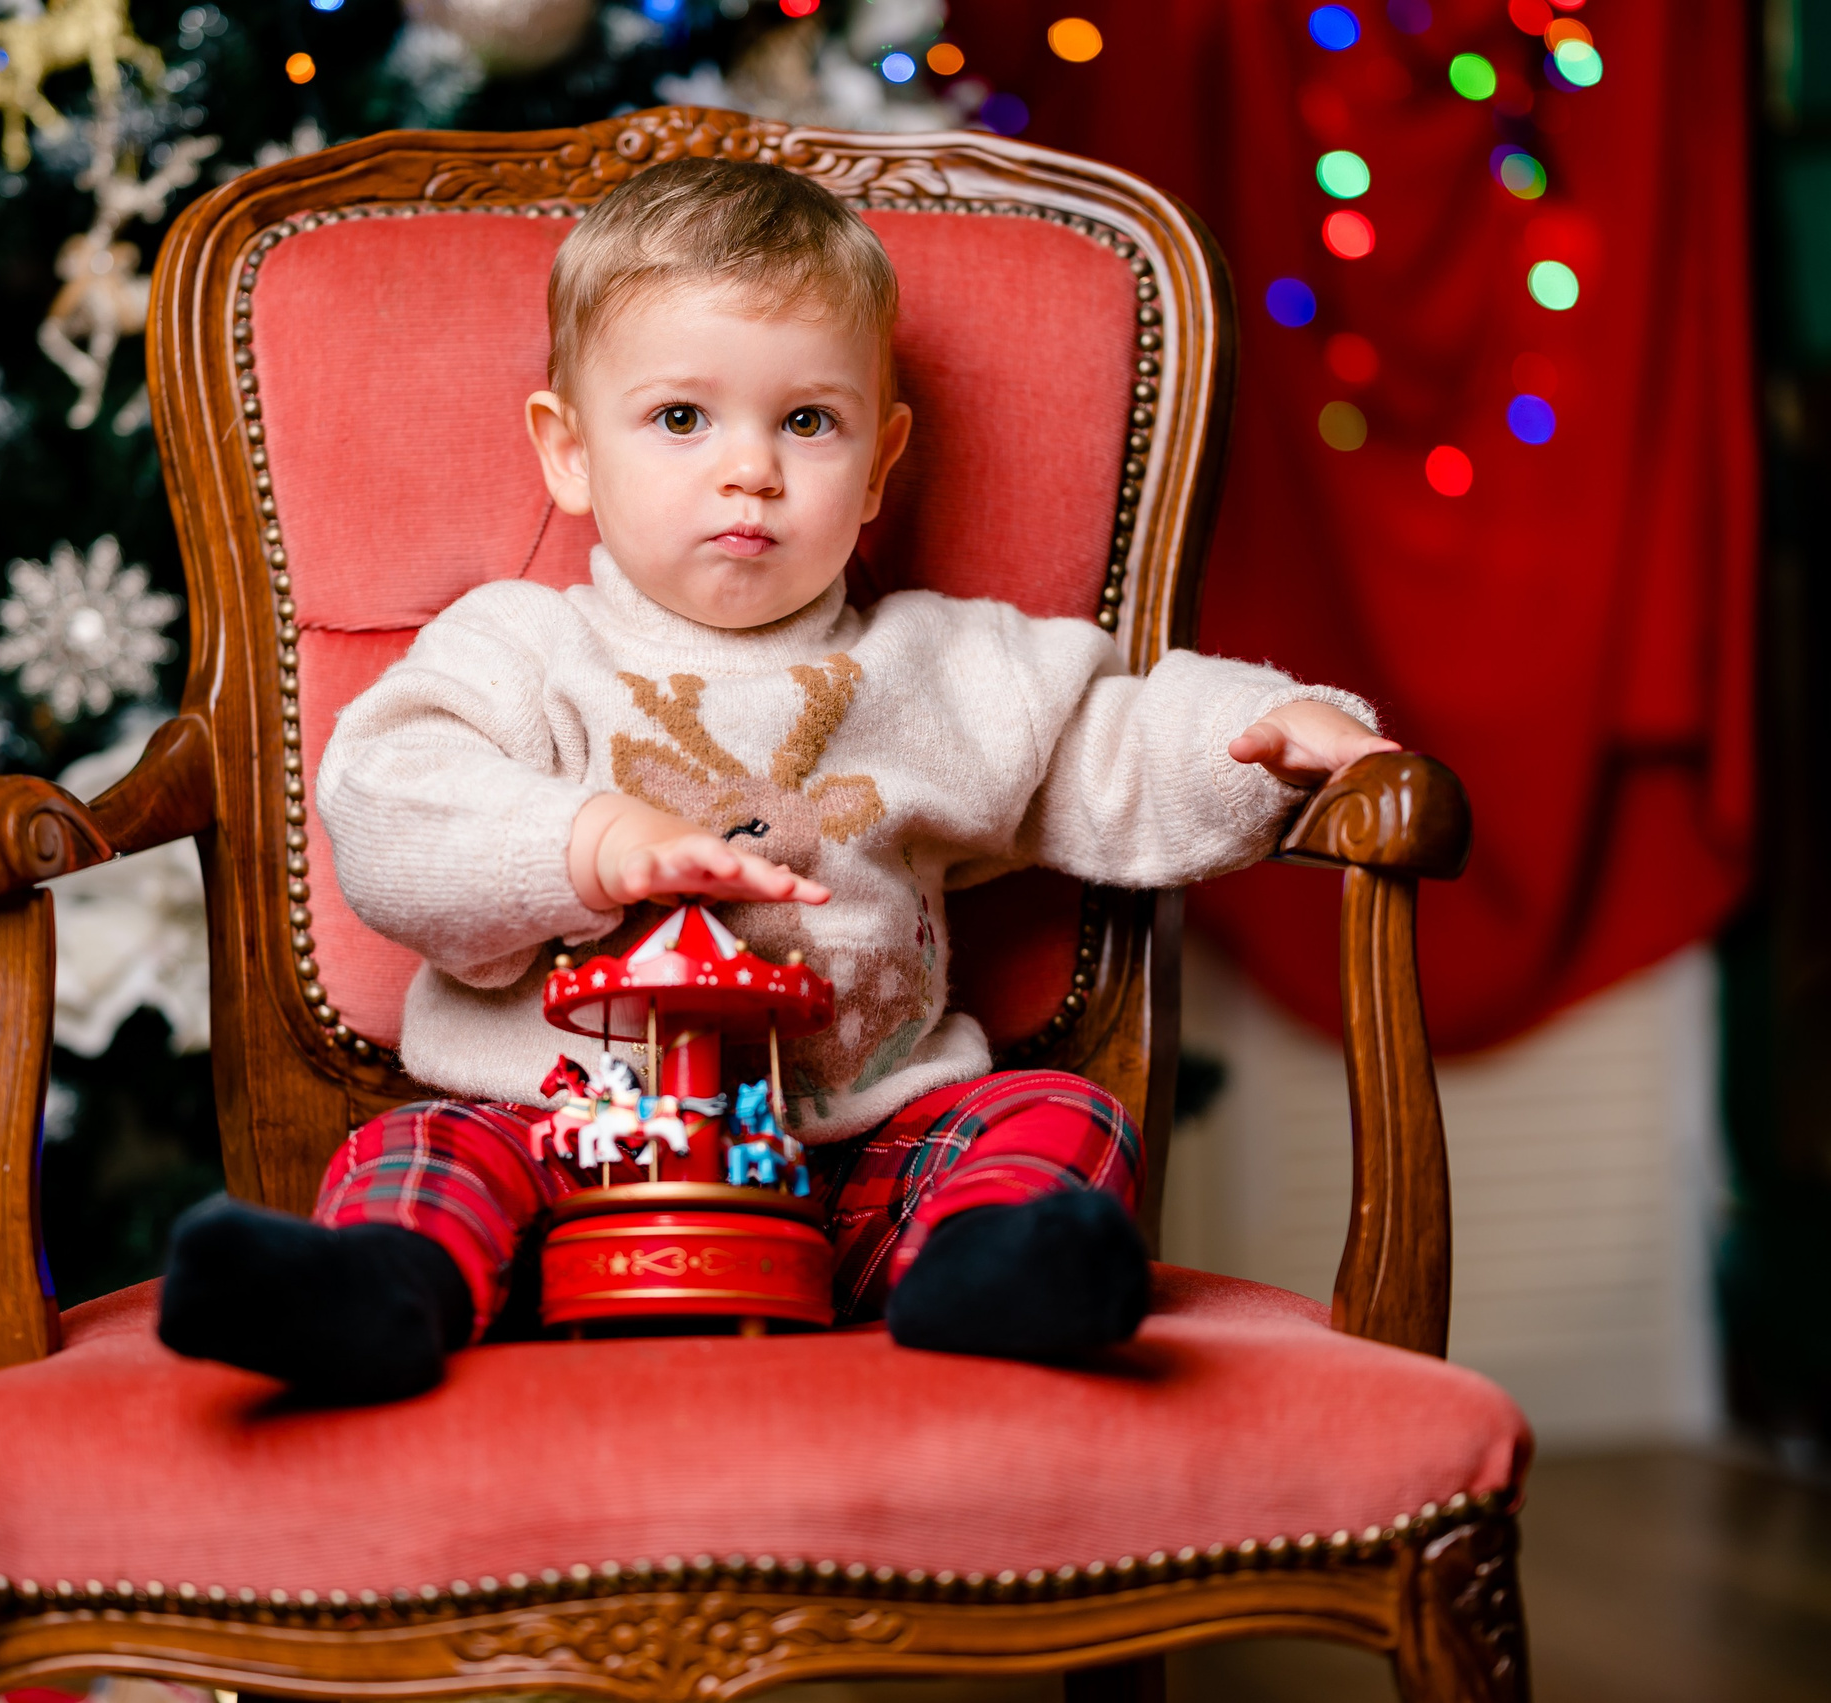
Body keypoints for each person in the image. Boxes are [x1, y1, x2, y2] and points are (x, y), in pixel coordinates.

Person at [158, 157, 1396, 1404]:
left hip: (852, 1158)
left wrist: (1258, 729)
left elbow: (1107, 738)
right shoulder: (520, 648)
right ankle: (379, 1290)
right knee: (425, 1147)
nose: (749, 469)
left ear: (878, 463)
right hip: (568, 1142)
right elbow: (387, 803)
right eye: (680, 418)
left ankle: (994, 1279)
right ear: (569, 452)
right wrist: (586, 842)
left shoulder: (937, 666)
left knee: (1058, 1117)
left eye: (806, 422)